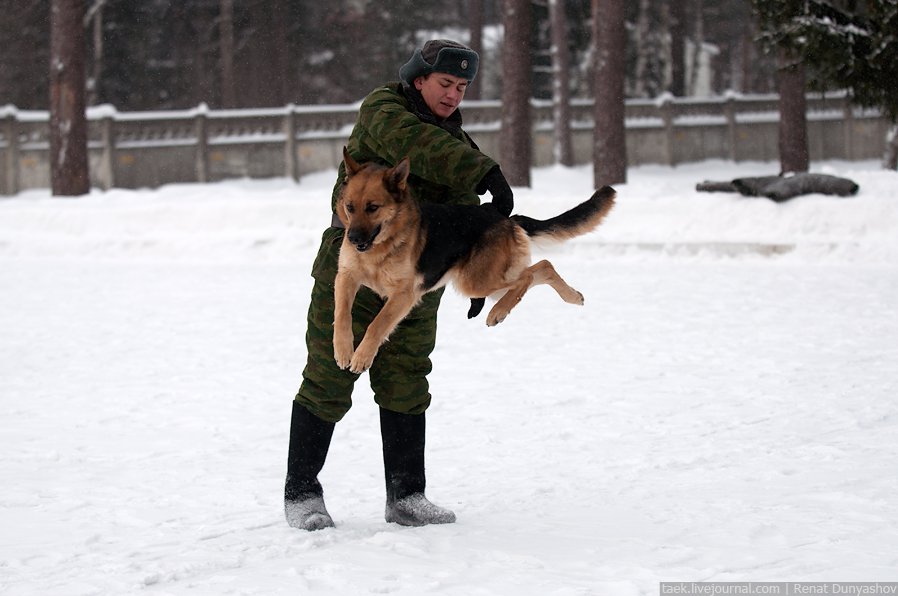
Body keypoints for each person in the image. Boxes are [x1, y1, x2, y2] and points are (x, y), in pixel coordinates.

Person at [285, 39, 514, 530]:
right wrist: (485, 170)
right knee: (330, 375)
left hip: (413, 277)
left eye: (461, 87)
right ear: (418, 81)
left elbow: (457, 213)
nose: (454, 95)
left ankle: (407, 495)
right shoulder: (384, 110)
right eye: (445, 84)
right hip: (354, 267)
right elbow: (416, 146)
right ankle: (302, 493)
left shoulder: (458, 141)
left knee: (408, 380)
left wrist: (475, 263)